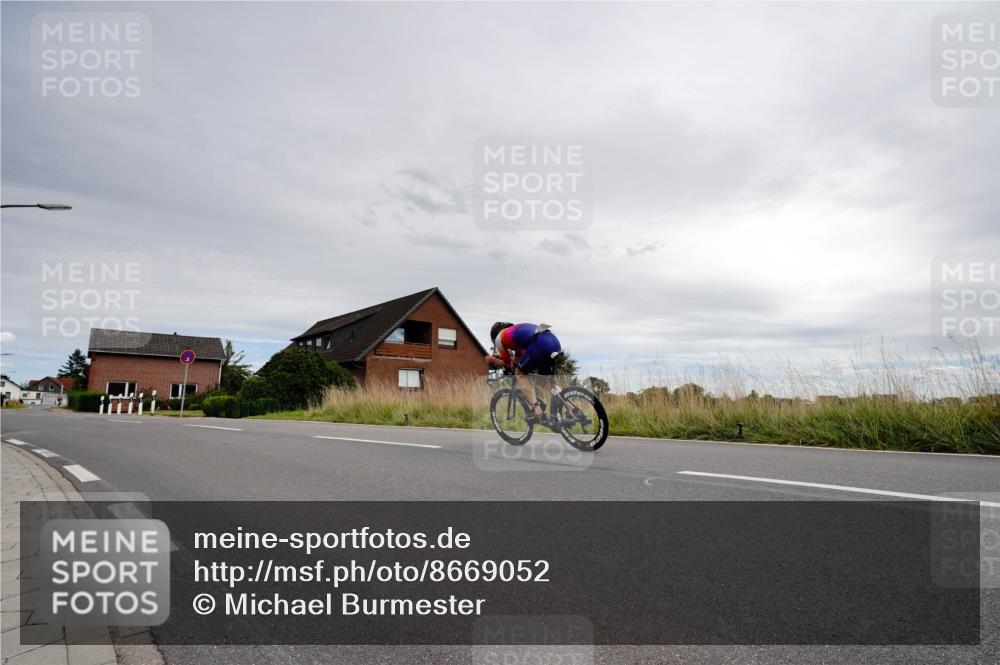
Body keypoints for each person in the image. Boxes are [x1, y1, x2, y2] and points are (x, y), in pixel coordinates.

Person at [485, 322, 562, 425]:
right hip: (553, 342)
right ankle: (570, 406)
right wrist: (500, 357)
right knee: (543, 381)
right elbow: (519, 360)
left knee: (519, 374)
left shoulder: (499, 338)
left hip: (539, 344)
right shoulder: (516, 332)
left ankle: (538, 413)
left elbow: (509, 365)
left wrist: (492, 360)